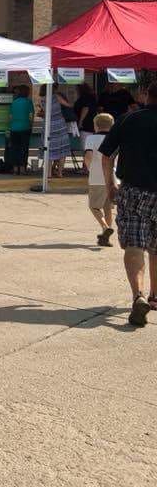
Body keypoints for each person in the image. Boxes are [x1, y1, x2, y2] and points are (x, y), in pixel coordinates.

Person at [99, 81, 157, 327]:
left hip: (133, 190)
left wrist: (110, 185)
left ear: (146, 96)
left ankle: (139, 295)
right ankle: (155, 296)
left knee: (134, 245)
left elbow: (106, 155)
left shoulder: (128, 119)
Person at [84, 113, 115, 246]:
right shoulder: (115, 139)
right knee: (108, 207)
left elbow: (88, 156)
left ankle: (104, 227)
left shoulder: (91, 138)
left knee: (94, 206)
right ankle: (105, 238)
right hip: (113, 178)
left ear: (96, 126)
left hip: (97, 177)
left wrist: (90, 168)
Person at [45, 84, 71, 178]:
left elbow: (44, 112)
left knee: (48, 149)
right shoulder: (56, 96)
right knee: (62, 149)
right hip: (60, 125)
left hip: (48, 126)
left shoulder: (43, 99)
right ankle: (60, 172)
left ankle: (48, 173)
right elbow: (68, 105)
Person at [7, 84, 34, 175]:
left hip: (14, 128)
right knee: (24, 148)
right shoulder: (28, 102)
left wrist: (11, 126)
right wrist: (31, 125)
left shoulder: (14, 102)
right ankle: (22, 169)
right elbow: (31, 116)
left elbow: (10, 117)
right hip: (25, 128)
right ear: (27, 92)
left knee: (14, 148)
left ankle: (15, 168)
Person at [73, 82, 98, 147]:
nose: (76, 90)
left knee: (86, 147)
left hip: (85, 125)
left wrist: (80, 122)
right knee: (90, 146)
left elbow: (85, 108)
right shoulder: (92, 97)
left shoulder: (85, 97)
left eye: (77, 89)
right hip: (91, 124)